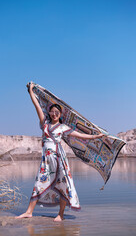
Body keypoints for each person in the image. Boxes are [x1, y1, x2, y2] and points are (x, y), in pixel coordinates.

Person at [16, 82, 105, 222]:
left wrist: (95, 136)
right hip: (46, 161)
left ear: (60, 114)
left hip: (59, 159)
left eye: (57, 112)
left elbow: (81, 135)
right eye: (52, 111)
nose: (54, 113)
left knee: (63, 184)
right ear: (50, 113)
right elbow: (37, 106)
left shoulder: (63, 127)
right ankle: (29, 212)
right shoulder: (43, 123)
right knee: (39, 183)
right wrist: (31, 92)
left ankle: (61, 214)